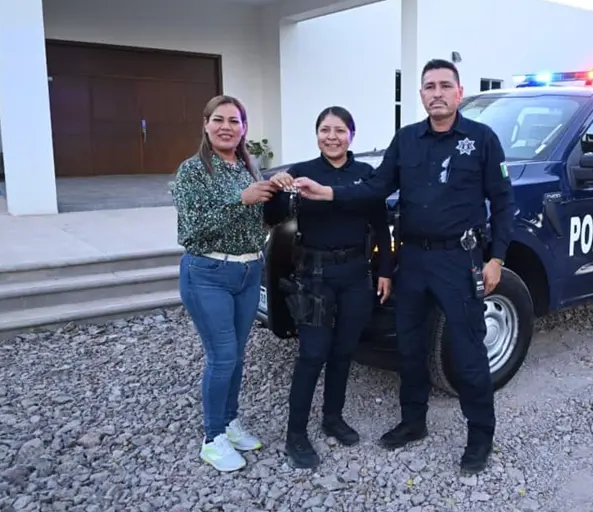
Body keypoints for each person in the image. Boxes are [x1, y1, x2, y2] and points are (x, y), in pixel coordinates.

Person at [292, 59, 515, 474]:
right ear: (421, 94)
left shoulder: (482, 139)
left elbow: (503, 202)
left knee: (467, 350)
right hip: (412, 260)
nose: (437, 93)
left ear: (459, 92)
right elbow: (377, 186)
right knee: (410, 348)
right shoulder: (407, 139)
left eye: (445, 85)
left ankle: (480, 437)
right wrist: (328, 193)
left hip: (458, 260)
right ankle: (414, 421)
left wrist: (497, 258)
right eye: (429, 86)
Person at [265, 106, 395, 470]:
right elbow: (273, 218)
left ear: (352, 135)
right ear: (317, 134)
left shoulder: (365, 175)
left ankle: (332, 418)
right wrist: (276, 189)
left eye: (339, 130)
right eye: (325, 130)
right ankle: (295, 434)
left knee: (344, 351)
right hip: (314, 277)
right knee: (312, 354)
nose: (332, 137)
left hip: (356, 275)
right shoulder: (302, 171)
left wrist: (385, 271)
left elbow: (381, 226)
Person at [171, 95, 280, 473]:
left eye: (235, 121)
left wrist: (278, 191)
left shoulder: (248, 168)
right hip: (208, 273)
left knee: (236, 355)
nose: (226, 127)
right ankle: (212, 437)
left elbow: (262, 221)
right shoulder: (193, 171)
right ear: (206, 124)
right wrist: (241, 200)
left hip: (247, 273)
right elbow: (192, 228)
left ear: (244, 128)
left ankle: (229, 421)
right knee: (223, 356)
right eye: (218, 120)